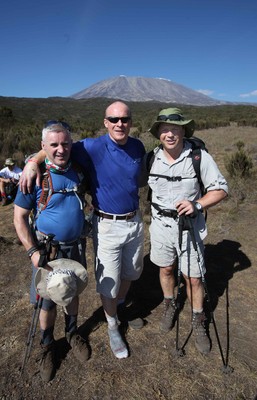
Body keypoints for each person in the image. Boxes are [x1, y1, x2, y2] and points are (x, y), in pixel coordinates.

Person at [19, 102, 146, 360]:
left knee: (118, 276)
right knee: (51, 297)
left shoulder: (136, 147)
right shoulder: (89, 147)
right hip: (77, 235)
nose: (120, 123)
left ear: (131, 121)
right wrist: (32, 161)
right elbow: (54, 146)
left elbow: (59, 148)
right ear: (105, 121)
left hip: (122, 225)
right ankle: (52, 345)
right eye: (114, 119)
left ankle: (81, 328)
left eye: (125, 119)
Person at [145, 107, 228, 354]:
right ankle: (170, 304)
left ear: (184, 130)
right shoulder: (151, 158)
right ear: (158, 132)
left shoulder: (198, 156)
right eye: (165, 129)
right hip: (160, 225)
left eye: (175, 129)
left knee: (193, 277)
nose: (170, 134)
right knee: (166, 268)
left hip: (190, 226)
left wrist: (198, 204)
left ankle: (198, 318)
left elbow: (221, 189)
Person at [14, 121, 90, 382]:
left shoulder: (79, 171)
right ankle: (47, 346)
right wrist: (33, 251)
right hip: (48, 251)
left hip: (76, 247)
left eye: (65, 143)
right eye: (54, 145)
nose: (61, 149)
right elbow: (19, 219)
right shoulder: (34, 177)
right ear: (43, 147)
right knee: (47, 300)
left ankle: (72, 333)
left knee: (72, 291)